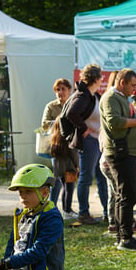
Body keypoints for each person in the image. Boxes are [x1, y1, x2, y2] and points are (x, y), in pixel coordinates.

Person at [100, 68, 136, 251]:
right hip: (120, 153)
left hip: (131, 153)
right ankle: (125, 239)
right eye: (132, 85)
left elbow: (126, 119)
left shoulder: (122, 99)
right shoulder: (110, 98)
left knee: (128, 194)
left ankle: (126, 235)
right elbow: (114, 122)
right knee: (126, 195)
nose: (134, 90)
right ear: (121, 82)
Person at [60, 63, 108, 225]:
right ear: (95, 78)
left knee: (102, 177)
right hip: (88, 142)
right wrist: (83, 129)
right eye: (100, 76)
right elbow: (71, 113)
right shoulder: (82, 96)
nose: (102, 79)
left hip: (97, 141)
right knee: (86, 178)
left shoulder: (94, 95)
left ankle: (107, 212)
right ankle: (83, 213)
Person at [41, 77, 75, 217]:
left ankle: (67, 208)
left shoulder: (74, 104)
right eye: (57, 90)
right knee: (57, 179)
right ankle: (51, 207)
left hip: (72, 146)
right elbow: (44, 124)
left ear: (69, 90)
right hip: (57, 147)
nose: (60, 92)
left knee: (71, 178)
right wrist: (59, 121)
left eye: (63, 89)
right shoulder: (51, 106)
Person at [48, 117, 78, 217]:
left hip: (59, 169)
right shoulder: (68, 138)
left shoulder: (54, 138)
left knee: (64, 188)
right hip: (69, 168)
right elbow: (73, 154)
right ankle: (67, 210)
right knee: (69, 189)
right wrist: (77, 165)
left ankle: (65, 210)